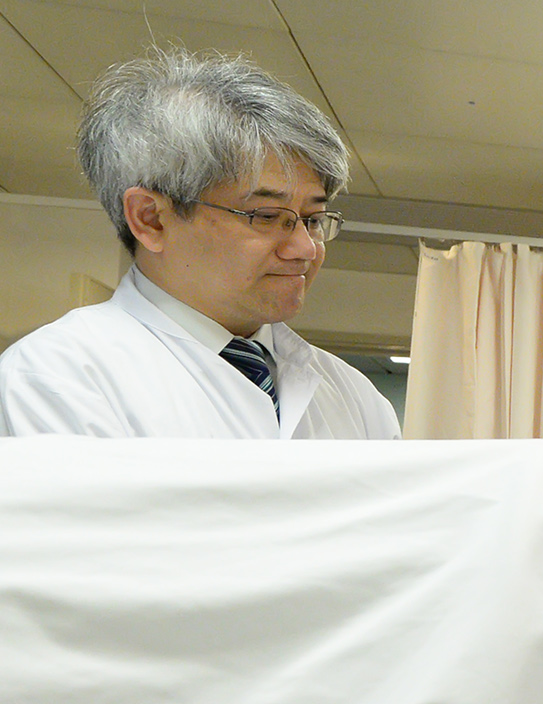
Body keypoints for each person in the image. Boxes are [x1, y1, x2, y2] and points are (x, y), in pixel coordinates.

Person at [0, 49, 397, 440]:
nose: (305, 249)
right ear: (150, 219)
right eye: (266, 216)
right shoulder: (56, 378)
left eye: (312, 219)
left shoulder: (354, 396)